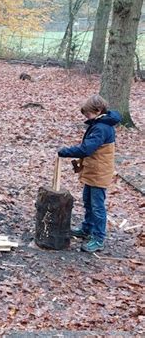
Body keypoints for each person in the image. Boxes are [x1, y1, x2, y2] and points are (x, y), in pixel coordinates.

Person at [58, 94, 121, 253]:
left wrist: (66, 152)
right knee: (88, 201)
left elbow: (87, 148)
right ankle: (87, 228)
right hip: (94, 170)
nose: (86, 117)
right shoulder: (100, 123)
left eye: (88, 114)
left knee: (97, 206)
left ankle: (98, 238)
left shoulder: (101, 127)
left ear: (98, 110)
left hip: (99, 172)